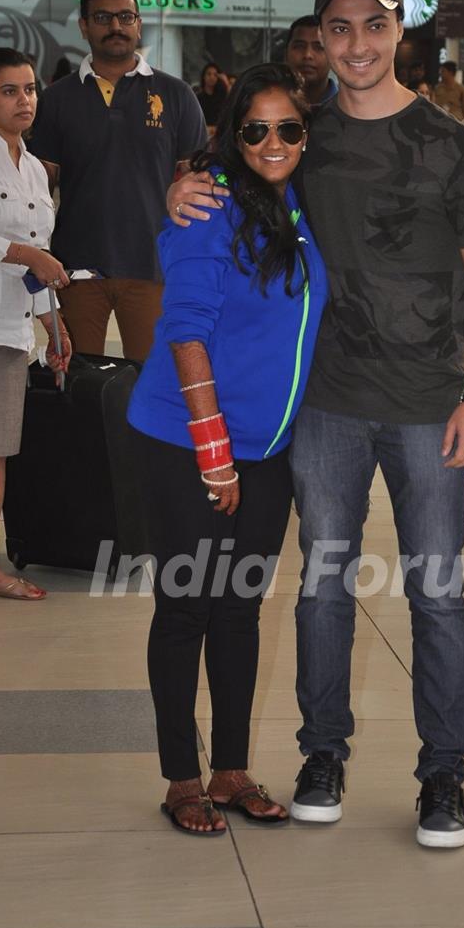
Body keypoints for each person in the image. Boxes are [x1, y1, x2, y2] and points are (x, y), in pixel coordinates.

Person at [166, 0, 464, 849]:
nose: (357, 44)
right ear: (319, 37)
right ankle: (323, 753)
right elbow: (226, 186)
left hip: (432, 402)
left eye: (375, 26)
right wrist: (179, 186)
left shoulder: (455, 148)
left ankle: (443, 773)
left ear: (401, 31)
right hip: (323, 409)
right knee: (323, 589)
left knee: (438, 592)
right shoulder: (299, 140)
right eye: (339, 28)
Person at [126, 63, 327, 834]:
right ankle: (182, 776)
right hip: (188, 443)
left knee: (239, 609)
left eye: (289, 129)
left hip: (265, 451)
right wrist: (215, 452)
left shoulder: (296, 203)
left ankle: (232, 767)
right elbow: (185, 332)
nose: (273, 143)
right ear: (230, 133)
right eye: (256, 130)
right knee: (187, 609)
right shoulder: (206, 206)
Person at [29, 0, 206, 362]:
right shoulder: (56, 99)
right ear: (84, 25)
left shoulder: (176, 95)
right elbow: (39, 188)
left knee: (150, 386)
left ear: (139, 23)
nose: (116, 27)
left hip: (152, 267)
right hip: (76, 271)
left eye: (126, 16)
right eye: (104, 17)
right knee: (83, 387)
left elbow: (195, 185)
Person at [0, 48, 71, 609]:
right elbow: (23, 252)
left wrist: (50, 326)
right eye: (9, 91)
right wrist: (25, 253)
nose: (24, 100)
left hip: (9, 326)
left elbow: (42, 259)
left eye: (30, 89)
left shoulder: (35, 168)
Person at [285, 16, 337, 108]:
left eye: (319, 47)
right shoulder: (269, 105)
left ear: (333, 55)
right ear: (286, 53)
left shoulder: (350, 108)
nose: (307, 55)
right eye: (299, 46)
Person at [195, 61, 229, 135]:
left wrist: (226, 82)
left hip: (219, 133)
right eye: (209, 74)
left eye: (215, 75)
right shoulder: (198, 97)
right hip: (203, 133)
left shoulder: (222, 97)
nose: (212, 77)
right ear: (204, 76)